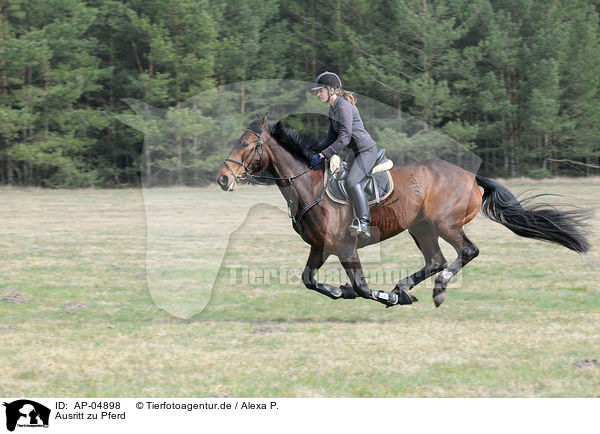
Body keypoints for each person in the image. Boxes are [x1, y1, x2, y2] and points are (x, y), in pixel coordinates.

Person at [310, 71, 378, 239]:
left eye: (320, 90)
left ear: (331, 89)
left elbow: (344, 138)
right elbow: (331, 138)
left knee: (352, 181)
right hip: (355, 153)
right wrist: (313, 150)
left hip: (366, 151)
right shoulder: (333, 108)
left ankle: (363, 222)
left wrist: (324, 155)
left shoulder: (343, 106)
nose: (318, 94)